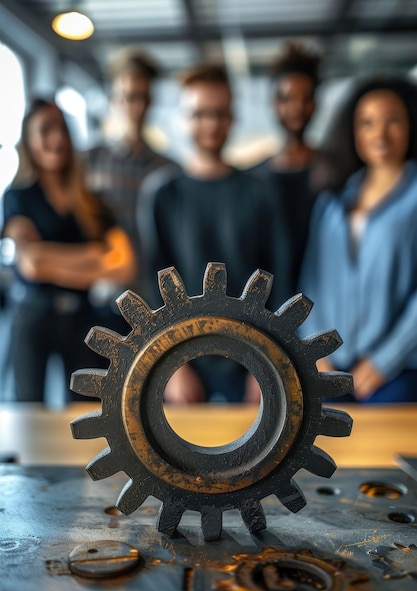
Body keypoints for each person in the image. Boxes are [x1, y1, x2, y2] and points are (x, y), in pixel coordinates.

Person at [138, 63, 290, 404]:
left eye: (220, 113)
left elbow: (280, 280)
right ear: (182, 118)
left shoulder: (261, 191)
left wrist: (269, 364)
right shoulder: (163, 193)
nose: (210, 124)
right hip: (182, 363)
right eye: (200, 113)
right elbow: (153, 284)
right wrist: (170, 367)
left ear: (232, 117)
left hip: (253, 361)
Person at [2, 98, 137, 403]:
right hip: (33, 316)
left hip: (83, 319)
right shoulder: (18, 198)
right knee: (29, 412)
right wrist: (93, 257)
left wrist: (51, 258)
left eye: (62, 129)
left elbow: (124, 265)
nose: (57, 139)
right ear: (29, 141)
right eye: (46, 130)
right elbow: (32, 266)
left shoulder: (92, 202)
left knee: (85, 407)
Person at [298, 75, 417, 403]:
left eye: (392, 120)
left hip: (397, 371)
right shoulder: (333, 200)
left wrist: (384, 361)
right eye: (367, 122)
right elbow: (312, 280)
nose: (379, 134)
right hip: (330, 367)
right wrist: (317, 350)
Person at [84, 48, 174, 298]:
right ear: (113, 100)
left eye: (143, 97)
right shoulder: (90, 161)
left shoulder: (168, 169)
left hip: (153, 295)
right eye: (128, 96)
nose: (136, 106)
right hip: (101, 293)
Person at [251, 42, 322, 291]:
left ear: (316, 103)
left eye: (306, 98)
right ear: (274, 104)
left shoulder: (336, 170)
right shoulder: (255, 177)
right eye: (287, 98)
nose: (296, 108)